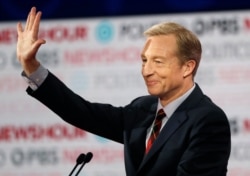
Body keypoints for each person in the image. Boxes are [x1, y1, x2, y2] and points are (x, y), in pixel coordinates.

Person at [16, 7, 231, 176]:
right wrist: (32, 66)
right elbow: (82, 112)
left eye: (158, 61)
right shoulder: (142, 109)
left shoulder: (208, 120)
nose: (147, 71)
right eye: (144, 60)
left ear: (188, 67)